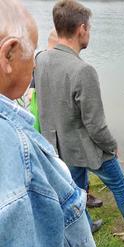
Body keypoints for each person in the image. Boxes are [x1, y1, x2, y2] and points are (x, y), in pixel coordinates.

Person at [34, 0, 124, 233]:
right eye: (90, 28)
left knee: (76, 189)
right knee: (121, 185)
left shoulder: (41, 59)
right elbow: (94, 124)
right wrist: (111, 145)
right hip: (84, 146)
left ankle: (85, 226)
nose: (89, 33)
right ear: (81, 29)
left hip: (59, 146)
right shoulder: (82, 70)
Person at [0, 0, 96, 247]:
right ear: (8, 54)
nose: (34, 64)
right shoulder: (17, 149)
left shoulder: (45, 62)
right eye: (31, 54)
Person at [29, 28, 103, 208]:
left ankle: (84, 194)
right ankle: (72, 200)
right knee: (64, 168)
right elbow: (33, 98)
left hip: (66, 130)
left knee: (76, 166)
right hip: (52, 130)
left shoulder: (68, 66)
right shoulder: (41, 63)